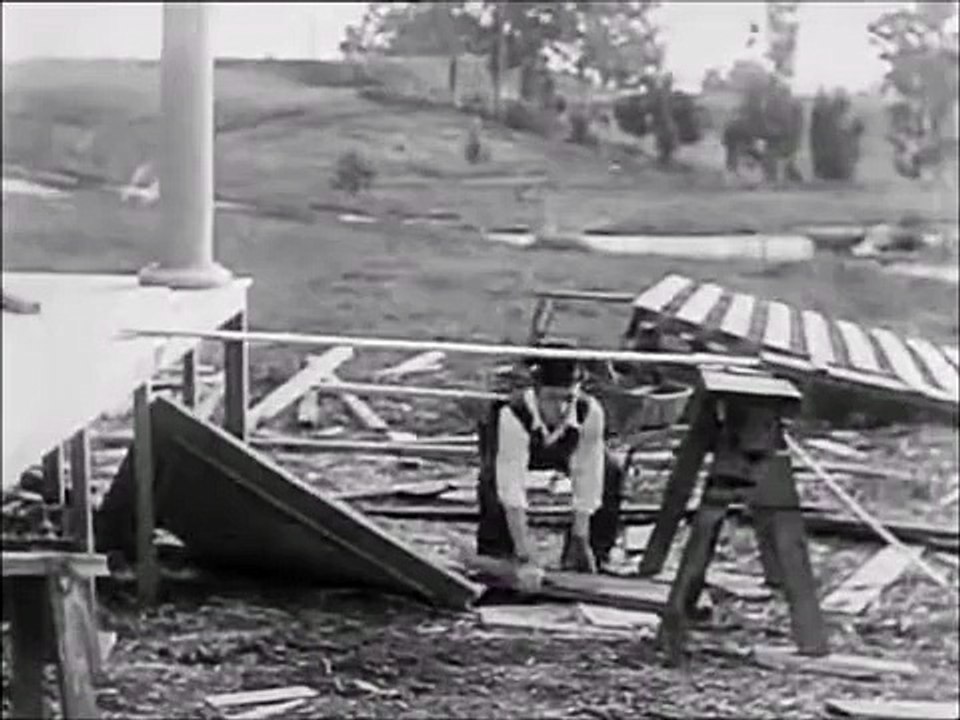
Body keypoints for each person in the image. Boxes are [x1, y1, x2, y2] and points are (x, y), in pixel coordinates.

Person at [476, 344, 624, 575]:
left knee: (611, 470)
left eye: (568, 398)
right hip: (517, 448)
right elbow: (510, 488)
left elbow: (588, 472)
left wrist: (580, 537)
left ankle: (594, 552)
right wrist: (525, 553)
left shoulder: (590, 411)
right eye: (552, 398)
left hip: (564, 448)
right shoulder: (511, 414)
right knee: (491, 482)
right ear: (536, 393)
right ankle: (497, 554)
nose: (561, 407)